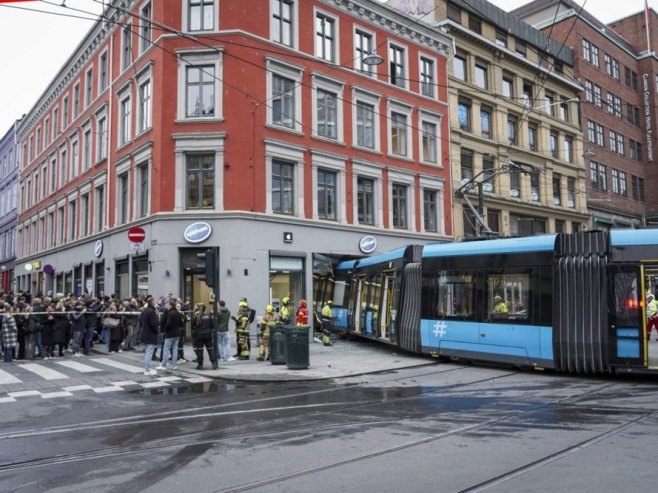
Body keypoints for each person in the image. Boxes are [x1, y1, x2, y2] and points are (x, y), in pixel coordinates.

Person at [158, 301, 184, 370]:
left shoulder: (170, 313)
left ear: (170, 305)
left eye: (168, 305)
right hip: (177, 334)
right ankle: (174, 365)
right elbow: (181, 324)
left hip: (169, 334)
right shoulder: (179, 313)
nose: (167, 306)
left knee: (166, 349)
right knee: (175, 349)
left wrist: (165, 330)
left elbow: (168, 323)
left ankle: (164, 365)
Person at [192, 304, 217, 370]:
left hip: (199, 336)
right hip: (208, 335)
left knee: (200, 351)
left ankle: (200, 365)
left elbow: (192, 326)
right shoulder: (208, 316)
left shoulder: (196, 316)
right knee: (210, 350)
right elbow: (212, 326)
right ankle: (214, 364)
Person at [140, 296, 160, 376]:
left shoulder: (145, 310)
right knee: (149, 353)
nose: (156, 302)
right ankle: (147, 370)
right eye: (154, 301)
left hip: (145, 333)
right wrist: (156, 330)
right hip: (150, 334)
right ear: (152, 302)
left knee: (147, 352)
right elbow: (153, 324)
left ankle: (148, 368)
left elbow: (141, 322)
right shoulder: (151, 311)